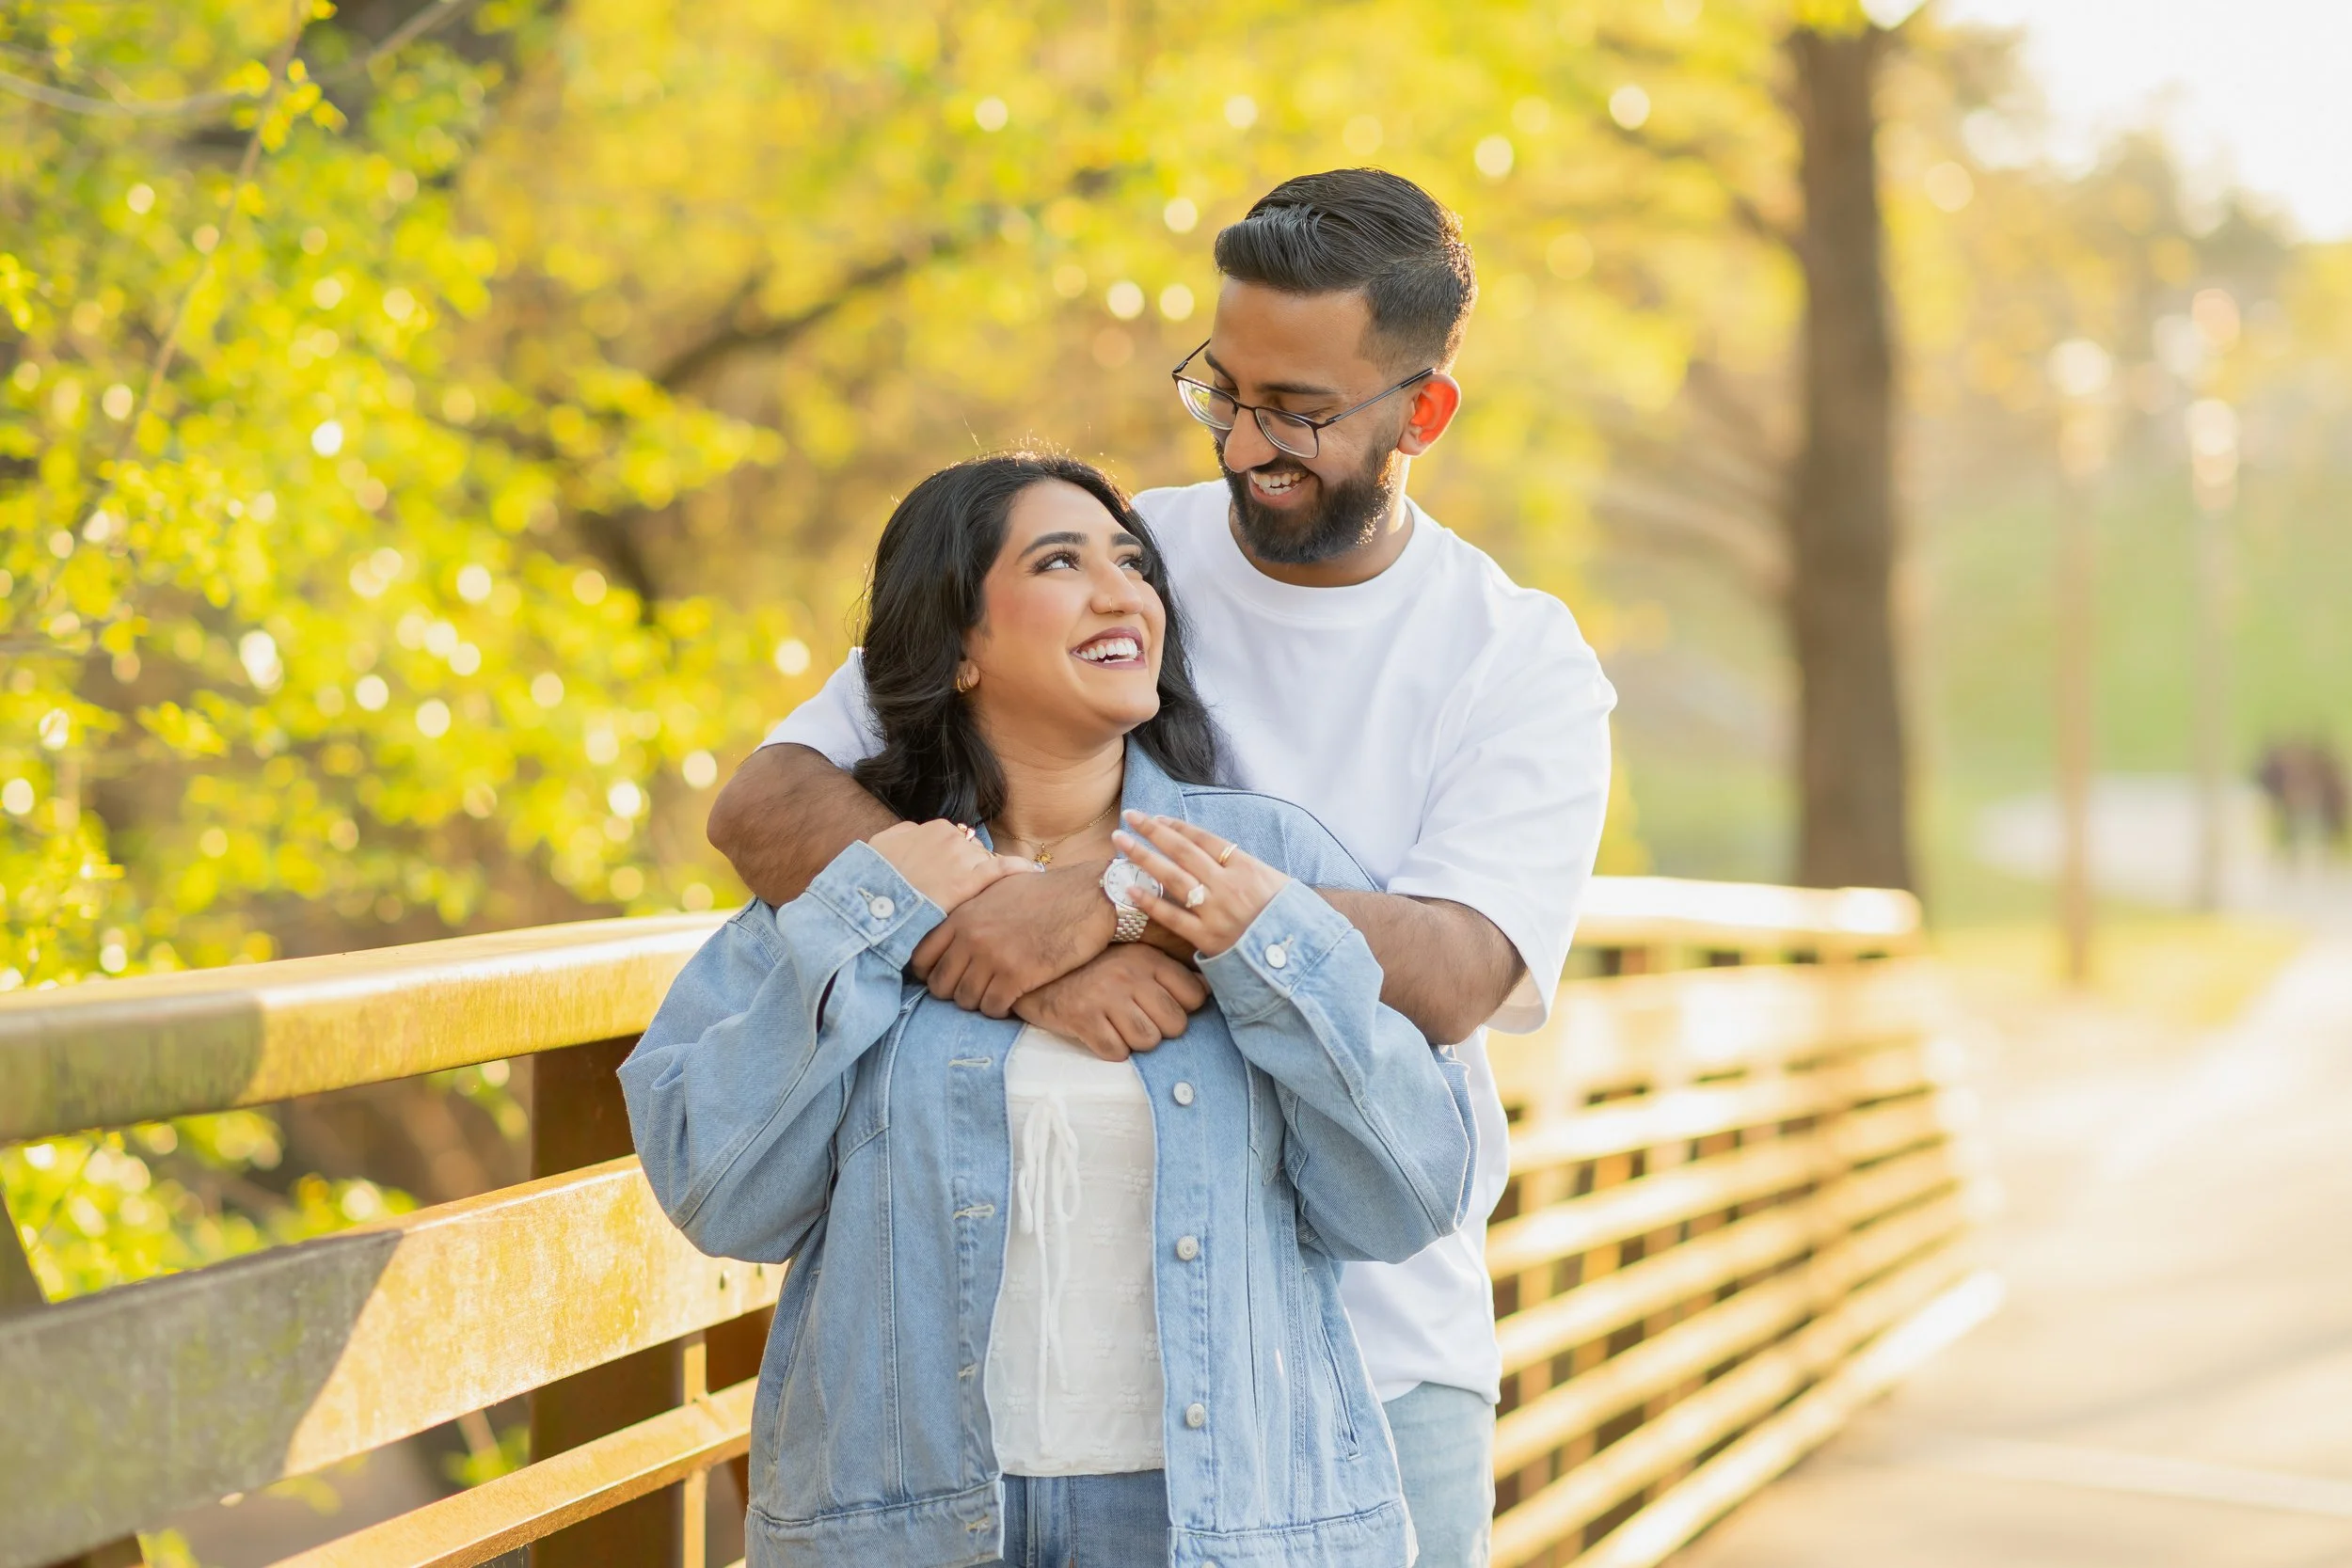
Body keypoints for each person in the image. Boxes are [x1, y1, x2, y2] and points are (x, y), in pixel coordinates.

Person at [709, 169, 1617, 1564]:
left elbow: (1454, 967)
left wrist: (1122, 902)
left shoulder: (1513, 655)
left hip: (1376, 1363)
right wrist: (1013, 939)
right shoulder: (1117, 565)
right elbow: (772, 802)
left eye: (1301, 412)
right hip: (1040, 1408)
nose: (1248, 443)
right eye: (1224, 389)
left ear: (1422, 412)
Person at [625, 452, 1476, 1567]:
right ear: (961, 645)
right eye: (1060, 561)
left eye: (1131, 563)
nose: (1122, 590)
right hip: (911, 1529)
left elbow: (1407, 1195)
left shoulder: (1261, 865)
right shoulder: (869, 882)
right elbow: (721, 1195)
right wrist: (889, 920)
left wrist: (1249, 936)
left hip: (1221, 1527)